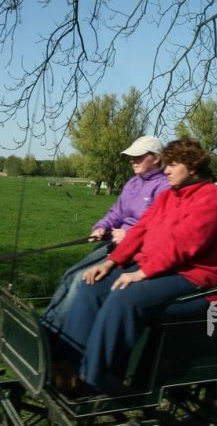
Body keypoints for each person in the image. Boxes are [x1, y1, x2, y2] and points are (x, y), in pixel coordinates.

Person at [53, 138, 217, 394]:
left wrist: (141, 273)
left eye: (173, 165)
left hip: (198, 277)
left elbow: (184, 244)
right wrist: (111, 262)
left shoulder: (212, 196)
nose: (166, 170)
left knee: (125, 295)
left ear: (193, 167)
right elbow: (140, 230)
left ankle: (97, 377)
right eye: (166, 164)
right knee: (92, 283)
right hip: (165, 269)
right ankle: (67, 366)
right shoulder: (169, 196)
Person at [41, 136, 170, 334]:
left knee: (81, 280)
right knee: (70, 274)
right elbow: (116, 213)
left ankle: (54, 334)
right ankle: (46, 327)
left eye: (139, 156)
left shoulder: (164, 188)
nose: (132, 160)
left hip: (136, 250)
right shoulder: (133, 183)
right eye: (131, 157)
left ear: (156, 158)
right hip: (115, 243)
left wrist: (128, 235)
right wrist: (102, 227)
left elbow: (157, 227)